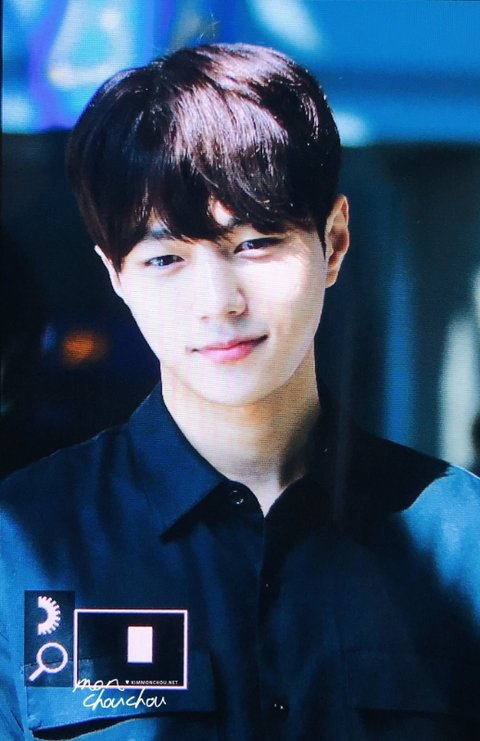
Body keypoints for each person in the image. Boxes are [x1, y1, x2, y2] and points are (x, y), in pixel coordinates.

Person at [1, 43, 479, 741]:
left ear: (334, 241)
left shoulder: (463, 540)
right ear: (116, 276)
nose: (219, 302)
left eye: (255, 243)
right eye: (166, 258)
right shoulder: (22, 543)